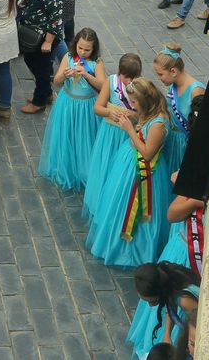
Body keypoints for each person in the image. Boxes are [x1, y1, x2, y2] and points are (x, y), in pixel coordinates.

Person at [85, 77, 171, 268]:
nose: (131, 105)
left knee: (138, 208)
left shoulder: (158, 124)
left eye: (134, 102)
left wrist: (129, 130)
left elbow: (148, 154)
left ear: (146, 102)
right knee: (119, 204)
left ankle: (136, 248)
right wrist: (134, 117)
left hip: (144, 172)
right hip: (128, 164)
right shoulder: (147, 113)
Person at [38, 28, 105, 190]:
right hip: (67, 104)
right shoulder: (68, 57)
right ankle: (65, 166)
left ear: (94, 49)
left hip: (86, 107)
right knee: (65, 135)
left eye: (87, 49)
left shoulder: (97, 63)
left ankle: (84, 169)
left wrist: (87, 75)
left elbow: (103, 86)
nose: (82, 52)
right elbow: (57, 82)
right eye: (80, 48)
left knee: (84, 137)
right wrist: (65, 75)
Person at [152, 44, 205, 177]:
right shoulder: (173, 84)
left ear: (173, 71)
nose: (159, 78)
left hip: (183, 146)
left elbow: (199, 128)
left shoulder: (196, 91)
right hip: (170, 138)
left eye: (160, 74)